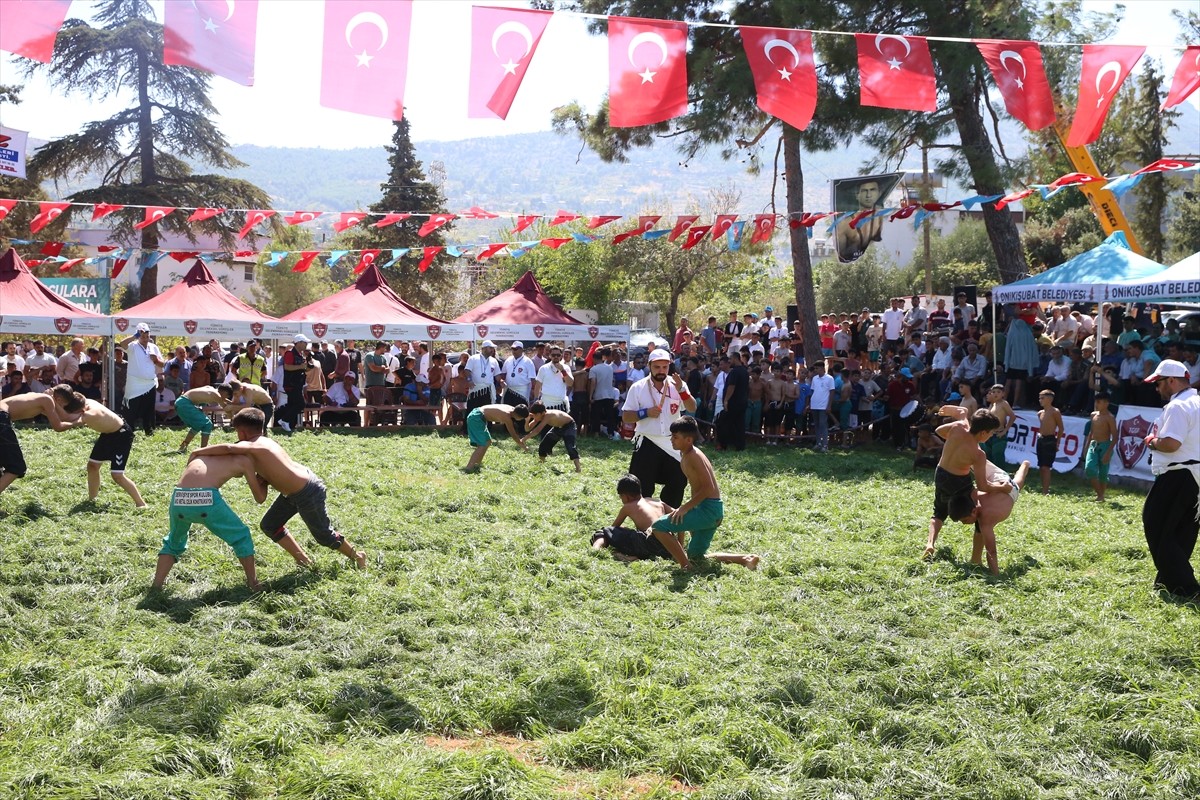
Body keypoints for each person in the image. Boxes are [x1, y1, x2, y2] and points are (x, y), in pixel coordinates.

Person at [190, 408, 366, 568]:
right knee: (270, 524)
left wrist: (198, 452)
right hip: (295, 491)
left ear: (242, 432)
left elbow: (229, 448)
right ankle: (303, 560)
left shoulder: (255, 445)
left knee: (324, 536)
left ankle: (357, 556)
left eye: (237, 432)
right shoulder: (264, 443)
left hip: (307, 492)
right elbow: (263, 493)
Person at [643, 417, 758, 570]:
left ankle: (685, 566)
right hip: (711, 510)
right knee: (696, 556)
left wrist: (685, 508)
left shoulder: (694, 456)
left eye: (675, 437)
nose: (671, 440)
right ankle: (745, 559)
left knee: (658, 527)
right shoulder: (688, 454)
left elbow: (709, 488)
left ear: (689, 439)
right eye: (672, 436)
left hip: (708, 511)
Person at [152, 450, 276, 591]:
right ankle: (253, 584)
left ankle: (156, 587)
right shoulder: (244, 460)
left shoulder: (202, 455)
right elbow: (260, 498)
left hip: (179, 496)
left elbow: (192, 460)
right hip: (207, 499)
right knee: (242, 536)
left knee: (173, 541)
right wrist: (264, 481)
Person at [1140, 360, 1200, 599]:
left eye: (1159, 382)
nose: (1158, 388)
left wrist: (1151, 440)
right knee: (1183, 530)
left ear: (1172, 381)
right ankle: (1167, 580)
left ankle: (1187, 587)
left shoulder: (1178, 406)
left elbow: (1171, 444)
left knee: (1157, 525)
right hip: (1194, 476)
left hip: (1179, 472)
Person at [922, 406, 1004, 560]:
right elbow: (983, 486)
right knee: (981, 513)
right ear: (983, 432)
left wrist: (958, 424)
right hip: (959, 481)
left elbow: (939, 431)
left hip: (940, 474)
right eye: (991, 433)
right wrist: (1001, 487)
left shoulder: (958, 427)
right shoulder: (978, 454)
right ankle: (976, 558)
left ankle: (930, 543)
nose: (991, 436)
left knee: (939, 511)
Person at [622, 350, 697, 509]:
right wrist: (645, 413)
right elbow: (626, 416)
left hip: (672, 443)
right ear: (649, 366)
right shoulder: (638, 387)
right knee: (642, 487)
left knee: (678, 483)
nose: (661, 371)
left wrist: (682, 391)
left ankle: (667, 521)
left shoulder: (678, 385)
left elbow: (692, 407)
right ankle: (644, 524)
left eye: (665, 367)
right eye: (657, 367)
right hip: (647, 441)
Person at [53, 385, 147, 508]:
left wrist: (52, 402)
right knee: (92, 466)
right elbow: (69, 404)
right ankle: (92, 500)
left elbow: (65, 419)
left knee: (117, 475)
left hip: (122, 436)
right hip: (108, 434)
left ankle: (141, 504)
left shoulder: (89, 414)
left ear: (81, 411)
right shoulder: (84, 401)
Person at [952, 460, 1032, 575]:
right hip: (1000, 480)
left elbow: (991, 550)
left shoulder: (985, 520)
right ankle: (1025, 465)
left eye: (964, 520)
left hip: (1007, 489)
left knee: (1018, 482)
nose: (964, 524)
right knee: (1018, 481)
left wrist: (996, 575)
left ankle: (1025, 466)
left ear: (974, 511)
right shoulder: (972, 495)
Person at [0, 389, 83, 497]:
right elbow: (58, 427)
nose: (61, 408)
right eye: (63, 405)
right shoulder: (47, 399)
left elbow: (63, 417)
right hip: (1, 418)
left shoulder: (38, 398)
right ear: (58, 399)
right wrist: (79, 422)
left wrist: (82, 415)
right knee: (17, 467)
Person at [592, 473, 681, 561]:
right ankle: (636, 557)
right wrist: (680, 546)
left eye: (621, 497)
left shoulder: (628, 507)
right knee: (633, 534)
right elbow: (681, 518)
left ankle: (596, 549)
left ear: (625, 496)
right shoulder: (658, 502)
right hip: (669, 547)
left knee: (605, 531)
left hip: (648, 543)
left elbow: (613, 529)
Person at [120, 323, 164, 436]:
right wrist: (134, 336)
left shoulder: (154, 347)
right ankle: (128, 430)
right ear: (138, 335)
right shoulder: (133, 346)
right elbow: (122, 343)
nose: (145, 339)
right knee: (131, 408)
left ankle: (149, 431)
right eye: (142, 336)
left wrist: (155, 360)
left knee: (149, 409)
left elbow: (162, 364)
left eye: (147, 336)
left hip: (149, 383)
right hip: (135, 383)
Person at [464, 403, 529, 472]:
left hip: (478, 415)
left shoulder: (512, 409)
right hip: (476, 417)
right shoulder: (506, 416)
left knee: (487, 442)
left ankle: (476, 464)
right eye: (522, 418)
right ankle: (469, 468)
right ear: (518, 416)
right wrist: (522, 445)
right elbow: (513, 434)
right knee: (482, 445)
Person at [521, 401, 581, 472]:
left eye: (535, 415)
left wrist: (524, 439)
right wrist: (527, 421)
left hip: (569, 426)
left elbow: (537, 430)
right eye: (533, 415)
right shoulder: (538, 416)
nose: (534, 418)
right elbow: (527, 429)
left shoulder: (548, 415)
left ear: (542, 413)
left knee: (570, 446)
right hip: (558, 428)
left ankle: (578, 468)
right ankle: (541, 465)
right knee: (543, 445)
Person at [175, 384, 233, 453]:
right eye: (227, 396)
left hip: (181, 402)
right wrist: (234, 418)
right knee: (207, 425)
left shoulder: (210, 388)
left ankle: (183, 447)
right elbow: (226, 408)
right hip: (185, 404)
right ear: (224, 393)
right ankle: (203, 451)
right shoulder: (216, 395)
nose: (226, 398)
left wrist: (232, 403)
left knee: (197, 426)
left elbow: (222, 400)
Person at [835, 179, 883, 262]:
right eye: (864, 191)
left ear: (879, 193)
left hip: (876, 263)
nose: (868, 195)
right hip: (851, 268)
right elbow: (841, 258)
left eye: (872, 190)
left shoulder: (880, 216)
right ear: (857, 195)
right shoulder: (844, 224)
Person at [1082, 392, 1116, 502]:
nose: (1097, 404)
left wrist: (1108, 452)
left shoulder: (1110, 418)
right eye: (1096, 402)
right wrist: (1086, 448)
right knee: (1089, 468)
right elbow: (1091, 433)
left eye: (1099, 402)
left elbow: (1115, 436)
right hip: (1093, 445)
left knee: (1103, 473)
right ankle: (1100, 494)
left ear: (1106, 403)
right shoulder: (1093, 415)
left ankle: (1100, 496)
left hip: (1105, 445)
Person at [278, 334, 313, 433]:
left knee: (292, 404)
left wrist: (307, 367)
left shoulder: (300, 355)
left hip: (297, 383)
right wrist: (302, 367)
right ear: (299, 343)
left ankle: (287, 423)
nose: (306, 344)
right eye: (305, 342)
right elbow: (287, 367)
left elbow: (301, 368)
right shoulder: (290, 353)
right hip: (291, 384)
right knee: (300, 404)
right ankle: (284, 420)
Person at [1035, 389, 1064, 494]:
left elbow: (1061, 428)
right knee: (1041, 466)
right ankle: (1044, 487)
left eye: (1042, 398)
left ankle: (1045, 490)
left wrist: (1058, 442)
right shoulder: (1040, 413)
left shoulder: (1055, 412)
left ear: (1049, 399)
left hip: (1050, 439)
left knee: (1046, 467)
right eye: (1039, 398)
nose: (1040, 400)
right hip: (1041, 439)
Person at [981, 384, 1015, 466]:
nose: (996, 394)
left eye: (998, 392)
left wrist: (1005, 431)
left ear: (1003, 394)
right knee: (988, 457)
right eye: (993, 392)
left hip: (999, 434)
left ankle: (1002, 477)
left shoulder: (1004, 403)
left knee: (998, 457)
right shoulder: (993, 405)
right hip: (990, 434)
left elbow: (1012, 416)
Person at [465, 340, 500, 415]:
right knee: (472, 411)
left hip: (488, 390)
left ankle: (488, 427)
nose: (492, 350)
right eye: (490, 348)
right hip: (475, 389)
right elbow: (467, 370)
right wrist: (469, 380)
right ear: (484, 348)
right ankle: (469, 427)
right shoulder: (473, 358)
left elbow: (497, 375)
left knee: (487, 413)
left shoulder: (494, 361)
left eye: (492, 348)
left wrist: (502, 382)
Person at [532, 346, 572, 412]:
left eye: (558, 355)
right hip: (546, 404)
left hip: (561, 404)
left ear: (561, 356)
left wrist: (562, 370)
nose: (556, 357)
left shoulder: (566, 368)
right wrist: (536, 399)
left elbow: (570, 383)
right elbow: (538, 385)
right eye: (553, 355)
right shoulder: (543, 368)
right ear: (550, 356)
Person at [500, 341, 535, 406]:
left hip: (522, 391)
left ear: (521, 350)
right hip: (509, 390)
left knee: (520, 412)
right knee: (508, 411)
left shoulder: (528, 362)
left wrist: (533, 391)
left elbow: (532, 379)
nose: (514, 351)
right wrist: (502, 381)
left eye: (516, 349)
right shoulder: (508, 360)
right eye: (512, 349)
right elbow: (503, 374)